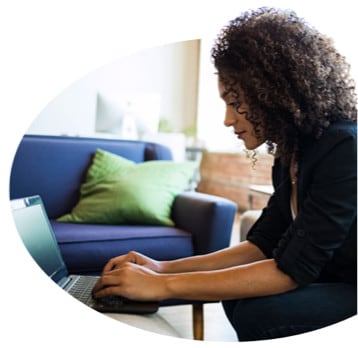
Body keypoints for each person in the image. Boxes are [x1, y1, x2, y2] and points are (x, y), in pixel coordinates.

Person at [93, 7, 357, 341]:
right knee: (239, 297)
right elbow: (262, 244)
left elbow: (292, 270)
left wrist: (161, 285)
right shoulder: (292, 153)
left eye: (235, 102)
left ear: (274, 94)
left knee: (262, 312)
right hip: (329, 276)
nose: (228, 120)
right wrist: (162, 267)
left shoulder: (343, 146)